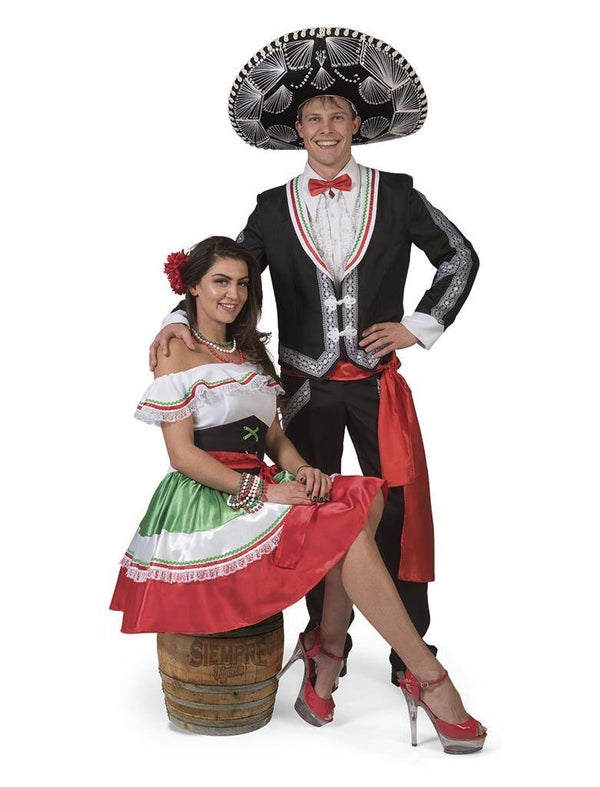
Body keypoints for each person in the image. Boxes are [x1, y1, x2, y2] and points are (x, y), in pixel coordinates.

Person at [149, 28, 480, 687]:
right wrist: (175, 321)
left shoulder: (399, 193)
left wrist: (418, 326)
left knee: (396, 510)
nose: (326, 128)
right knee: (307, 505)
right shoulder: (272, 209)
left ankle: (410, 649)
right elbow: (227, 277)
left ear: (357, 124)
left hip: (376, 383)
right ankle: (322, 638)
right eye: (314, 118)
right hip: (302, 385)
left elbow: (460, 256)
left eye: (337, 116)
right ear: (298, 130)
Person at [111, 235, 486, 752]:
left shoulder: (247, 349)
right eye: (220, 282)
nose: (233, 294)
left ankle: (326, 649)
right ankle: (426, 676)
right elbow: (182, 456)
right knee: (347, 530)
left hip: (265, 480)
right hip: (214, 492)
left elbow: (273, 438)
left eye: (242, 284)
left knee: (367, 496)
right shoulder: (174, 348)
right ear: (191, 287)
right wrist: (264, 491)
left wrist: (303, 470)